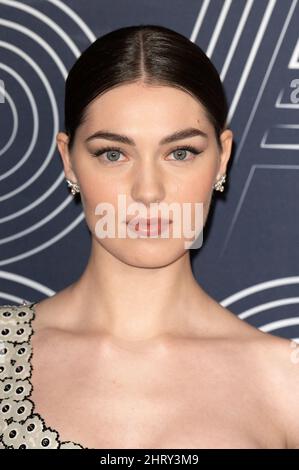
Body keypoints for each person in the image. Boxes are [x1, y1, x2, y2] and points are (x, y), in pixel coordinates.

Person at [1, 24, 298, 450]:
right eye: (113, 153)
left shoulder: (287, 382)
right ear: (69, 161)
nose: (148, 192)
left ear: (222, 159)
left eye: (180, 153)